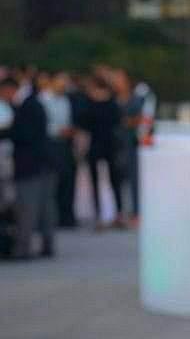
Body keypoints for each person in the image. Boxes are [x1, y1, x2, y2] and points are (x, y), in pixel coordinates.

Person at [1, 77, 55, 257]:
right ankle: (47, 244)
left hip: (29, 165)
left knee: (26, 207)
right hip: (44, 163)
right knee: (45, 207)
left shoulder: (27, 107)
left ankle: (22, 248)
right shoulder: (34, 103)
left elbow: (22, 134)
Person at [81, 74, 125, 229]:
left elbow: (84, 124)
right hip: (110, 143)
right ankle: (117, 213)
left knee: (98, 181)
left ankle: (100, 215)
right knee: (114, 180)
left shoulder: (89, 104)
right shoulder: (112, 103)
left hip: (97, 144)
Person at [114, 68, 155, 223]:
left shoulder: (138, 97)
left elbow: (142, 119)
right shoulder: (116, 98)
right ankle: (122, 212)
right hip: (119, 143)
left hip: (132, 142)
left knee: (135, 178)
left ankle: (137, 212)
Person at [38, 72, 77, 228]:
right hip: (50, 143)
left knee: (68, 179)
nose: (64, 85)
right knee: (53, 181)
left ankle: (66, 216)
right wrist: (58, 131)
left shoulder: (65, 100)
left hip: (64, 144)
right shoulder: (43, 99)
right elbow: (42, 124)